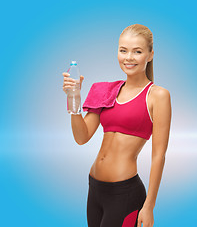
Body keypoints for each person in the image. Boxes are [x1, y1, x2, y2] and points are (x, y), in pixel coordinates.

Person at [62, 24, 172, 227]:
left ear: (150, 54)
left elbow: (159, 156)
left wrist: (149, 207)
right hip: (94, 188)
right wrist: (74, 98)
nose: (128, 57)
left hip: (125, 194)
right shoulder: (104, 90)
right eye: (123, 50)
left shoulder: (157, 96)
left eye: (137, 51)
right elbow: (81, 137)